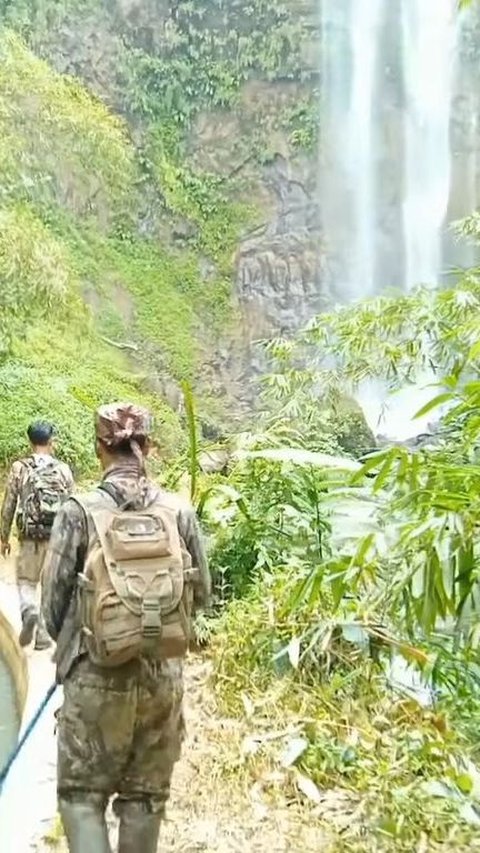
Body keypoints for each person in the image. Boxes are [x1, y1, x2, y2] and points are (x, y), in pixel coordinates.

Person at [42, 402, 211, 853]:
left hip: (95, 678)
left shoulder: (78, 511)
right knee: (143, 800)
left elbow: (52, 608)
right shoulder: (179, 511)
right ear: (149, 447)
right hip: (161, 681)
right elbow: (204, 596)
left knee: (81, 797)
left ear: (100, 448)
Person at [0, 421, 74, 650]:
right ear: (51, 442)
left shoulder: (19, 468)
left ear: (30, 441)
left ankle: (28, 610)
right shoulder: (63, 469)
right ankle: (42, 634)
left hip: (29, 535)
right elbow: (72, 505)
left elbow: (9, 503)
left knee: (26, 580)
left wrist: (3, 537)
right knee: (49, 585)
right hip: (57, 537)